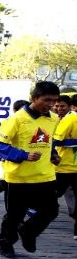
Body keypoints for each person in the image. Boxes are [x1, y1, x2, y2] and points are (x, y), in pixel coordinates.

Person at [0, 81, 61, 258]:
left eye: (54, 101)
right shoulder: (16, 119)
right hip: (19, 177)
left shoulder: (53, 118)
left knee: (51, 210)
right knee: (15, 215)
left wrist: (53, 153)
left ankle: (28, 231)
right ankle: (5, 241)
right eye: (47, 100)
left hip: (45, 175)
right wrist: (23, 155)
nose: (51, 105)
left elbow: (48, 140)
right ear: (34, 98)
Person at [53, 94, 77, 240]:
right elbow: (56, 140)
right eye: (57, 106)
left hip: (67, 166)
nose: (58, 108)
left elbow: (56, 140)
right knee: (53, 195)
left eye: (62, 106)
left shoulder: (70, 118)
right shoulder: (66, 118)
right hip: (62, 165)